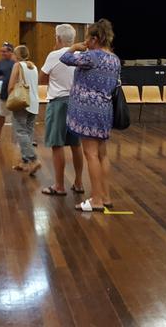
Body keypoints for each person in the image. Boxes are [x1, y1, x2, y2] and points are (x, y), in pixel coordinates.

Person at [60, 19, 120, 212]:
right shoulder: (114, 59)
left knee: (91, 155)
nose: (85, 41)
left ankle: (96, 200)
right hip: (105, 110)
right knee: (102, 155)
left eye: (87, 38)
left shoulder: (92, 56)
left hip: (87, 111)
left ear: (94, 39)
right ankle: (106, 196)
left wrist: (74, 47)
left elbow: (65, 59)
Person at [39, 24, 85, 196]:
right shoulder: (81, 55)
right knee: (75, 144)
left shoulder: (54, 55)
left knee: (57, 144)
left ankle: (59, 186)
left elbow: (41, 78)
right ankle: (79, 183)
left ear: (58, 38)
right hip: (76, 102)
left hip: (58, 102)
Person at [7, 45, 41, 175]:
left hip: (22, 102)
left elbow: (11, 86)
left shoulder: (18, 65)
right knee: (28, 132)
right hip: (34, 102)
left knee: (20, 132)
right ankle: (25, 162)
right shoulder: (33, 67)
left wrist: (9, 97)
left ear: (17, 55)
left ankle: (34, 159)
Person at [0, 42, 15, 143]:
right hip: (5, 93)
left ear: (10, 52)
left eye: (4, 52)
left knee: (21, 117)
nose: (2, 53)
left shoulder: (16, 62)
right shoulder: (1, 62)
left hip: (16, 94)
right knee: (1, 114)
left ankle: (27, 137)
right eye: (1, 51)